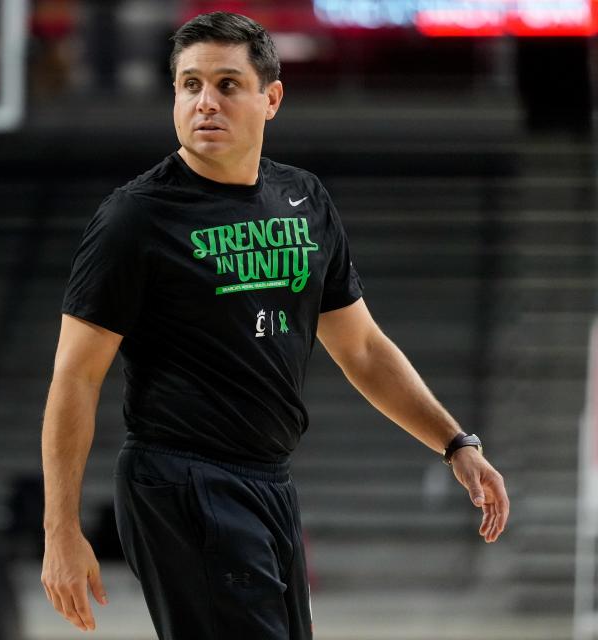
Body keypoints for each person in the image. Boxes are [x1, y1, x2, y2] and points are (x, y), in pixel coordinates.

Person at [40, 11, 510, 640]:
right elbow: (74, 376)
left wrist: (456, 444)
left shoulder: (305, 199)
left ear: (271, 98)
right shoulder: (135, 218)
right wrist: (60, 531)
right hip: (183, 479)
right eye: (189, 85)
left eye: (228, 84)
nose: (205, 102)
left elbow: (363, 348)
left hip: (269, 481)